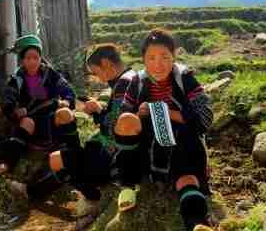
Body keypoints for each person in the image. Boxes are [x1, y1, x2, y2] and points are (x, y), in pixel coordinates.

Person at [111, 28, 214, 231]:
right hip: (146, 149)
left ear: (173, 57)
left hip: (180, 141)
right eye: (151, 58)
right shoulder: (137, 82)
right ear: (144, 60)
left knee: (187, 178)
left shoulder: (184, 78)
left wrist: (164, 111)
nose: (158, 64)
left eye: (165, 57)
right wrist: (140, 114)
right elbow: (119, 121)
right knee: (126, 119)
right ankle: (128, 184)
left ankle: (197, 224)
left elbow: (205, 118)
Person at [48, 43, 137, 229]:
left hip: (114, 157)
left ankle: (92, 199)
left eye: (96, 72)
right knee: (68, 155)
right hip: (119, 152)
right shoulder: (131, 77)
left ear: (106, 63)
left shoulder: (123, 84)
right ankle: (90, 196)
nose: (98, 78)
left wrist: (97, 111)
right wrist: (101, 110)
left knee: (56, 160)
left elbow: (113, 127)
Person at [0, 34, 79, 200]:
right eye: (28, 58)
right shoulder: (18, 78)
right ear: (22, 60)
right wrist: (14, 110)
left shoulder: (50, 74)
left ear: (40, 58)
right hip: (31, 126)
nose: (32, 62)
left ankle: (76, 155)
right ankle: (8, 163)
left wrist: (66, 101)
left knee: (65, 114)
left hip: (52, 120)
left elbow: (68, 91)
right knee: (27, 121)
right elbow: (8, 99)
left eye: (35, 57)